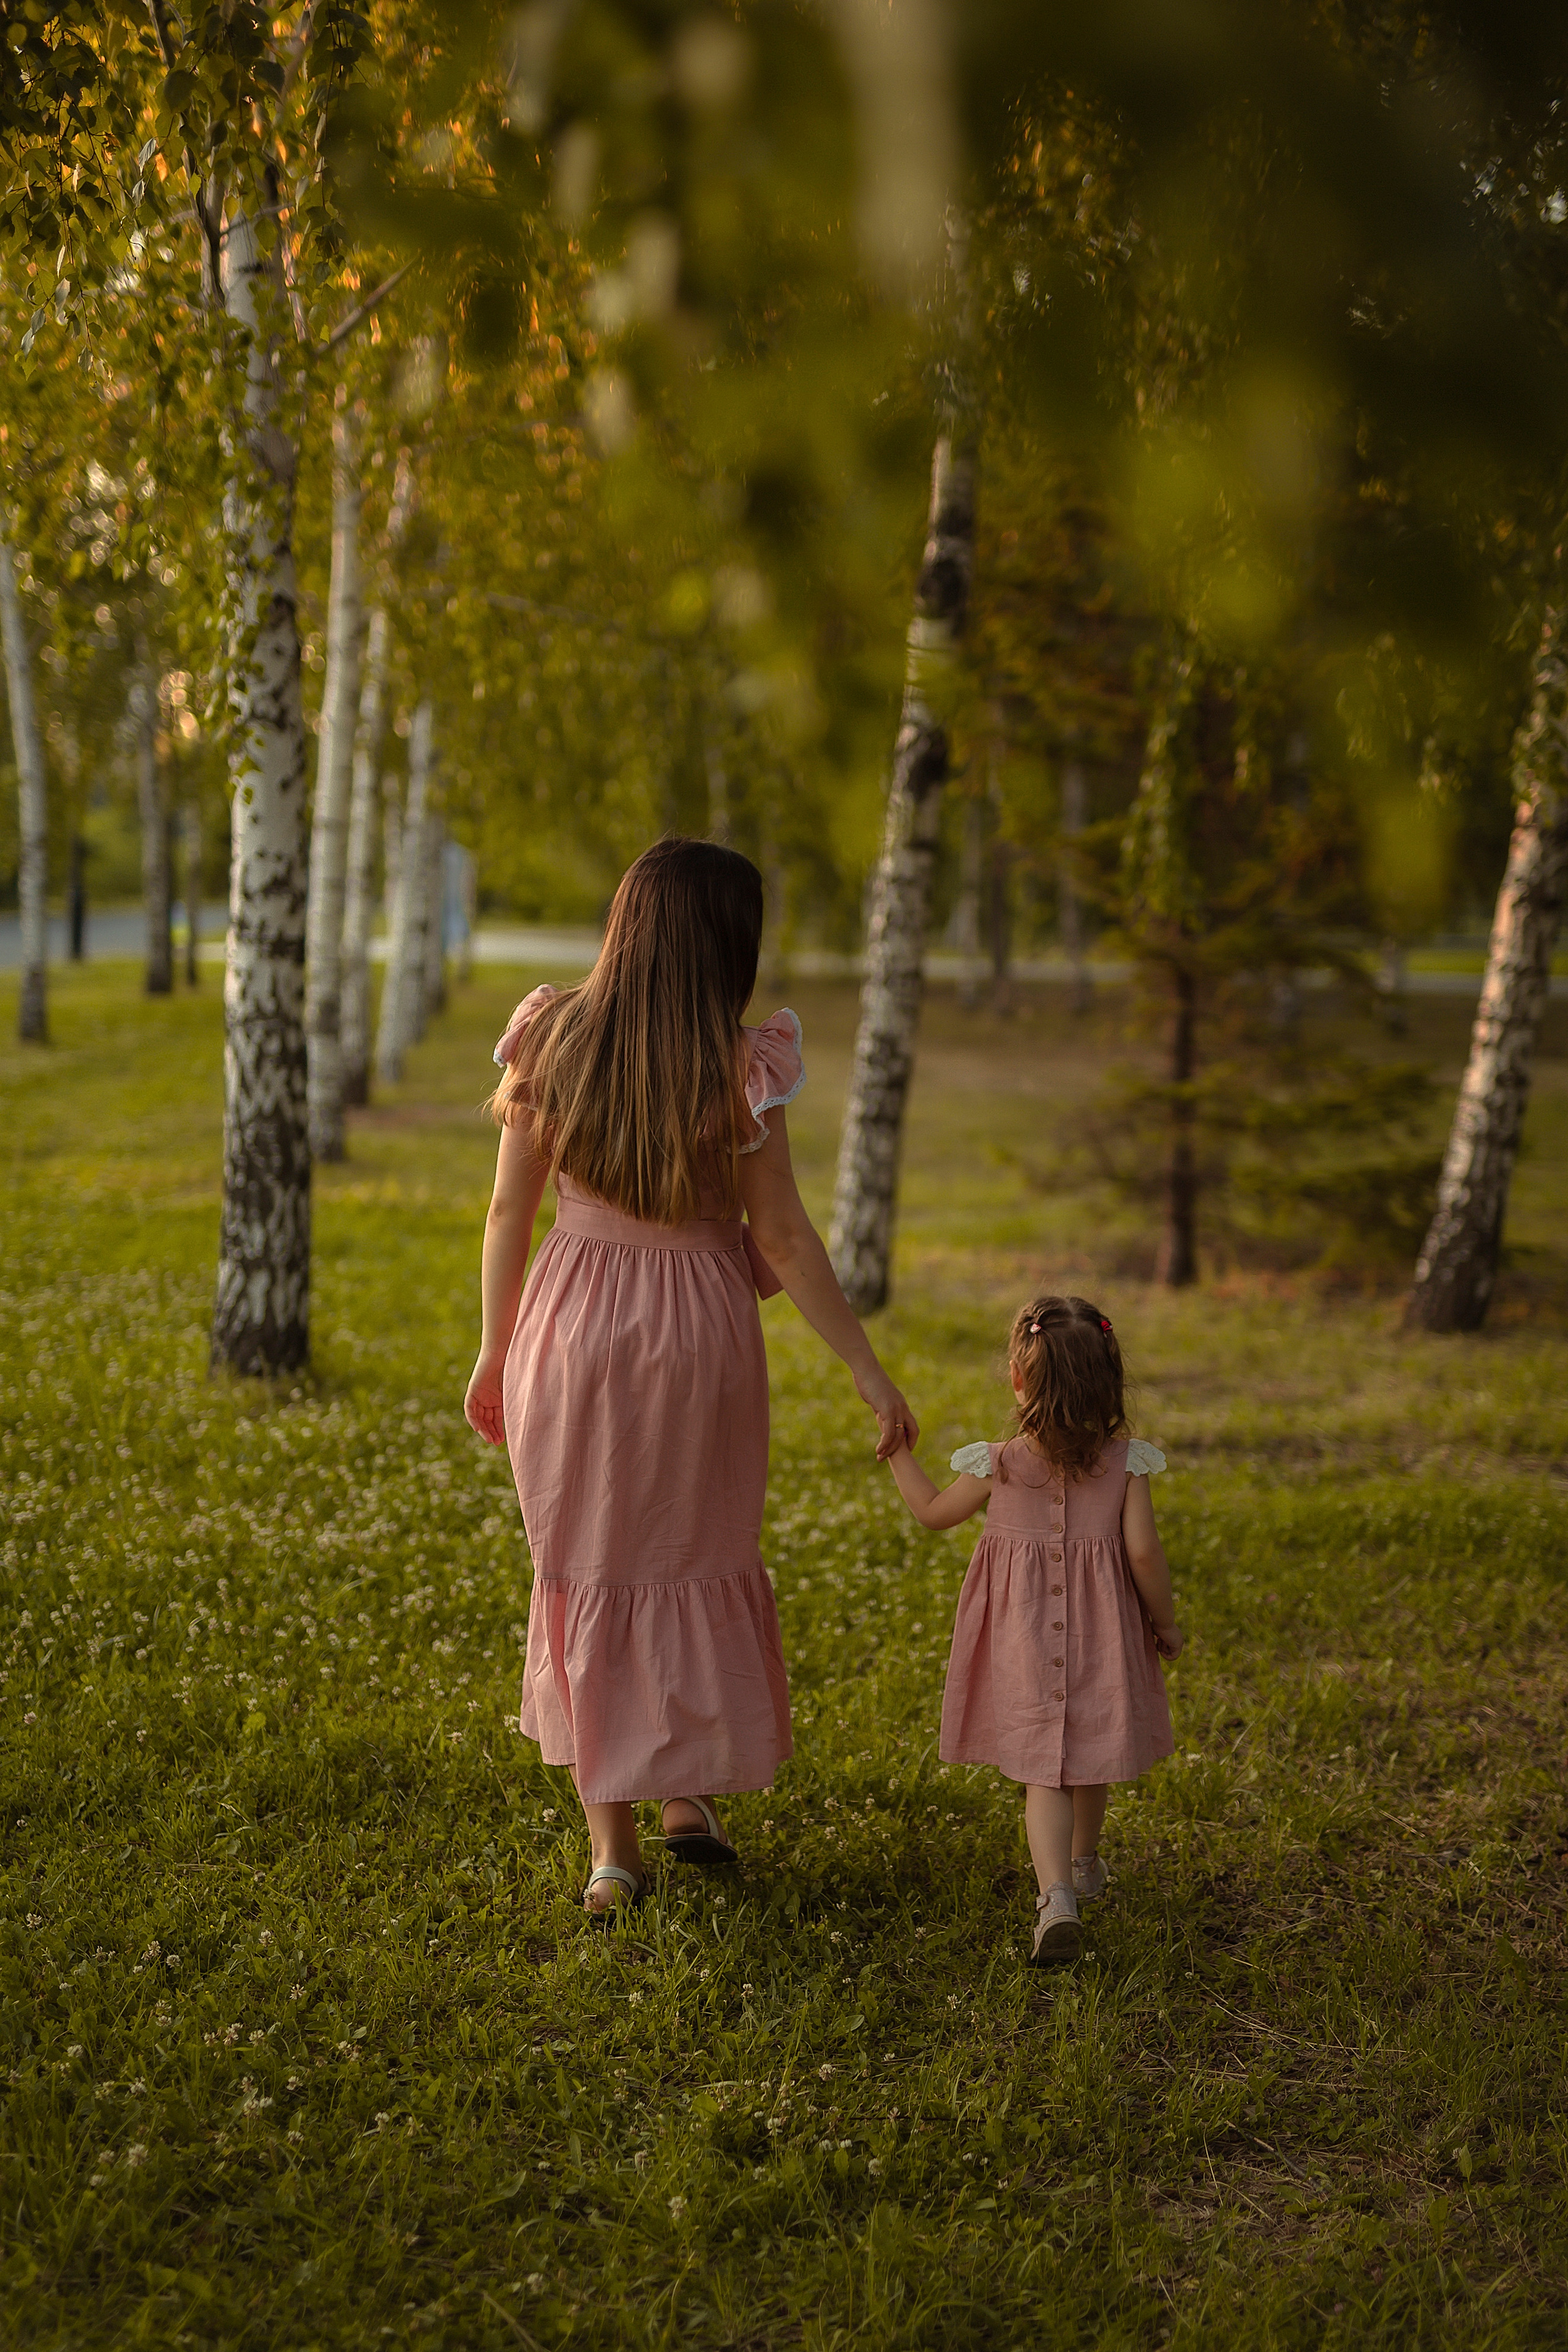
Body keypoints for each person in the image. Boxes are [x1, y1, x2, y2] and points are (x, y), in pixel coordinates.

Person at [464, 839, 918, 1919]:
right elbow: (785, 1236)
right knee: (693, 1552)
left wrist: (493, 1346)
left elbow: (507, 1212)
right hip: (700, 1336)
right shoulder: (737, 1064)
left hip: (571, 1331)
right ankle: (689, 1797)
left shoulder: (551, 1037)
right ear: (725, 945)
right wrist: (865, 1368)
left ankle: (611, 1854)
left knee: (590, 1565)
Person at [885, 1294, 1182, 1965]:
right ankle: (1082, 1865)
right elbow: (1143, 1554)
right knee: (1093, 1748)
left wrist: (899, 1450)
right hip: (1103, 1635)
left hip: (1023, 1638)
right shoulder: (1127, 1464)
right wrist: (1163, 1623)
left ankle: (1056, 1899)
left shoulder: (997, 1463)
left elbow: (932, 1512)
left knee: (1044, 1770)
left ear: (1019, 1378)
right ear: (1110, 1381)